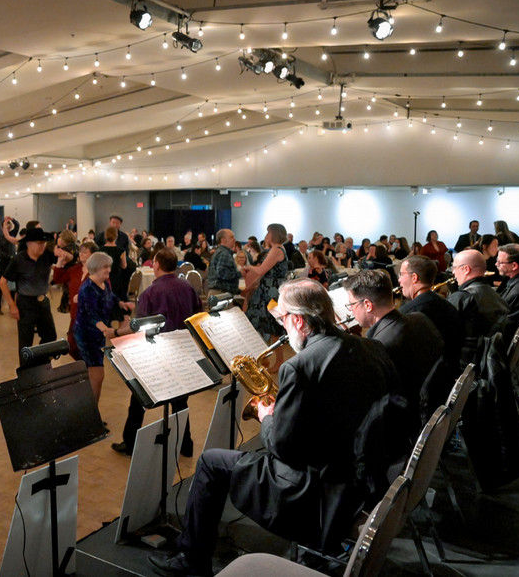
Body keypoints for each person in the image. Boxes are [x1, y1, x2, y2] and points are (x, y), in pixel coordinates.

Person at [149, 279, 400, 577]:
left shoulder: (299, 366)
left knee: (210, 462)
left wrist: (267, 416)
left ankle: (192, 559)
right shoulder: (372, 348)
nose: (282, 326)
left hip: (310, 489)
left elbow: (281, 448)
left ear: (298, 320)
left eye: (282, 318)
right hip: (360, 480)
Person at [113, 247, 201, 458]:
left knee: (139, 397)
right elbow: (197, 314)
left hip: (157, 352)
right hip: (182, 350)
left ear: (157, 265)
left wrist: (117, 333)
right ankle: (185, 444)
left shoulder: (150, 293)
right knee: (180, 400)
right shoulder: (187, 287)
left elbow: (141, 327)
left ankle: (130, 442)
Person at [345, 269, 444, 427]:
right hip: (438, 413)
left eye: (352, 304)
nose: (351, 310)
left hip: (408, 426)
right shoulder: (421, 318)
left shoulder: (376, 347)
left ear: (368, 305)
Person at [0, 227, 73, 350]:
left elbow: (70, 259)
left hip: (43, 302)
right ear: (29, 243)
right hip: (25, 303)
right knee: (25, 340)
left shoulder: (47, 256)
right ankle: (27, 361)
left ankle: (40, 358)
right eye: (39, 243)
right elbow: (2, 282)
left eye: (43, 243)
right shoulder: (19, 259)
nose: (42, 246)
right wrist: (12, 305)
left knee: (50, 336)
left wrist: (63, 254)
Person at [397, 255, 462, 395]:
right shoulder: (447, 305)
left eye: (401, 274)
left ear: (414, 277)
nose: (399, 280)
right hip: (448, 381)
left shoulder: (408, 313)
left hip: (425, 390)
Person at [73, 252, 133, 401]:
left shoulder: (104, 283)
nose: (109, 270)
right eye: (105, 267)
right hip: (87, 335)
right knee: (97, 375)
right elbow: (91, 315)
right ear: (96, 267)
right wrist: (106, 330)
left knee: (95, 374)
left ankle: (91, 408)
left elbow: (110, 296)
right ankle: (93, 411)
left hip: (97, 334)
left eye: (109, 266)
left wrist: (121, 303)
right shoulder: (88, 289)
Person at [447, 249, 510, 364]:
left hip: (467, 364)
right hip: (489, 361)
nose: (453, 273)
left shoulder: (463, 297)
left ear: (466, 269)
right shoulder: (494, 294)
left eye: (455, 267)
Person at [52, 240, 98, 361]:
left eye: (85, 252)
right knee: (72, 346)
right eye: (80, 251)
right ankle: (82, 365)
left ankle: (87, 367)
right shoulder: (75, 270)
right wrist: (60, 262)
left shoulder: (97, 272)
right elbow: (58, 278)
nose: (81, 254)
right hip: (75, 315)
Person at [242, 223, 289, 339]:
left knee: (266, 324)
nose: (266, 235)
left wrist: (248, 267)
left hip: (269, 292)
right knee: (269, 326)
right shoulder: (279, 249)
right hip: (272, 289)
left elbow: (261, 270)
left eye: (269, 232)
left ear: (275, 234)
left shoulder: (276, 250)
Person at [99, 226, 129, 315]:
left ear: (105, 236)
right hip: (116, 278)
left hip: (103, 278)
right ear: (116, 236)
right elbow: (124, 266)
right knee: (118, 300)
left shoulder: (100, 250)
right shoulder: (121, 250)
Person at [0, 217, 19, 315]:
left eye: (9, 226)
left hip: (11, 263)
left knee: (11, 286)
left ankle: (11, 305)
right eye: (6, 226)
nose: (8, 227)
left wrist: (12, 219)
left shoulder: (12, 234)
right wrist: (10, 257)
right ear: (2, 227)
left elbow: (17, 225)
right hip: (2, 263)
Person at [207, 229, 240, 294]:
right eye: (231, 237)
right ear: (223, 240)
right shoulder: (224, 254)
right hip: (221, 293)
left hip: (219, 292)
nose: (235, 240)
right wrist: (240, 273)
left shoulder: (220, 252)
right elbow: (222, 273)